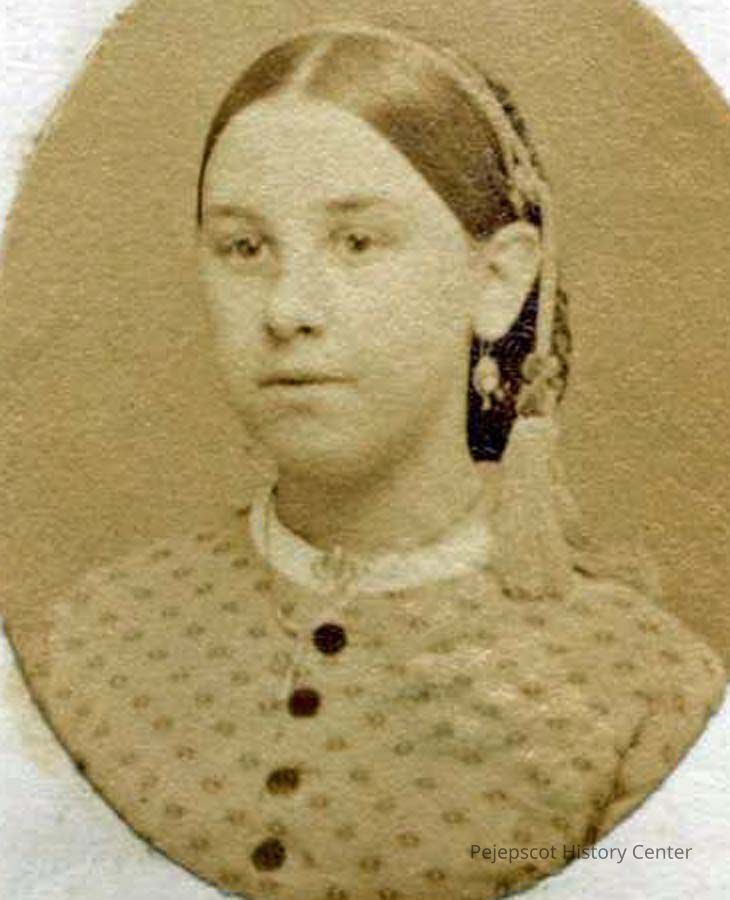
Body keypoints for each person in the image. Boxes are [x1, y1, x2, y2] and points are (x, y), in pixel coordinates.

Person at [24, 23, 725, 900]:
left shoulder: (643, 696)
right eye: (244, 248)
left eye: (357, 242)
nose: (288, 308)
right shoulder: (91, 645)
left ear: (498, 280)